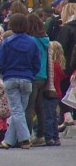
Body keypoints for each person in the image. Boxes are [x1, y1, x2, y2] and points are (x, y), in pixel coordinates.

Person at [0, 12, 41, 149]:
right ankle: (9, 140)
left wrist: (3, 73)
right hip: (27, 78)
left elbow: (0, 63)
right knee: (20, 109)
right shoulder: (32, 42)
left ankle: (25, 139)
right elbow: (37, 63)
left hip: (10, 78)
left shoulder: (7, 42)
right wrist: (31, 73)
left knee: (16, 110)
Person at [26, 15, 50, 146]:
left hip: (33, 75)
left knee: (29, 107)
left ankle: (27, 135)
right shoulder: (45, 39)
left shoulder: (31, 40)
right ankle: (41, 135)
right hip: (43, 75)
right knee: (40, 107)